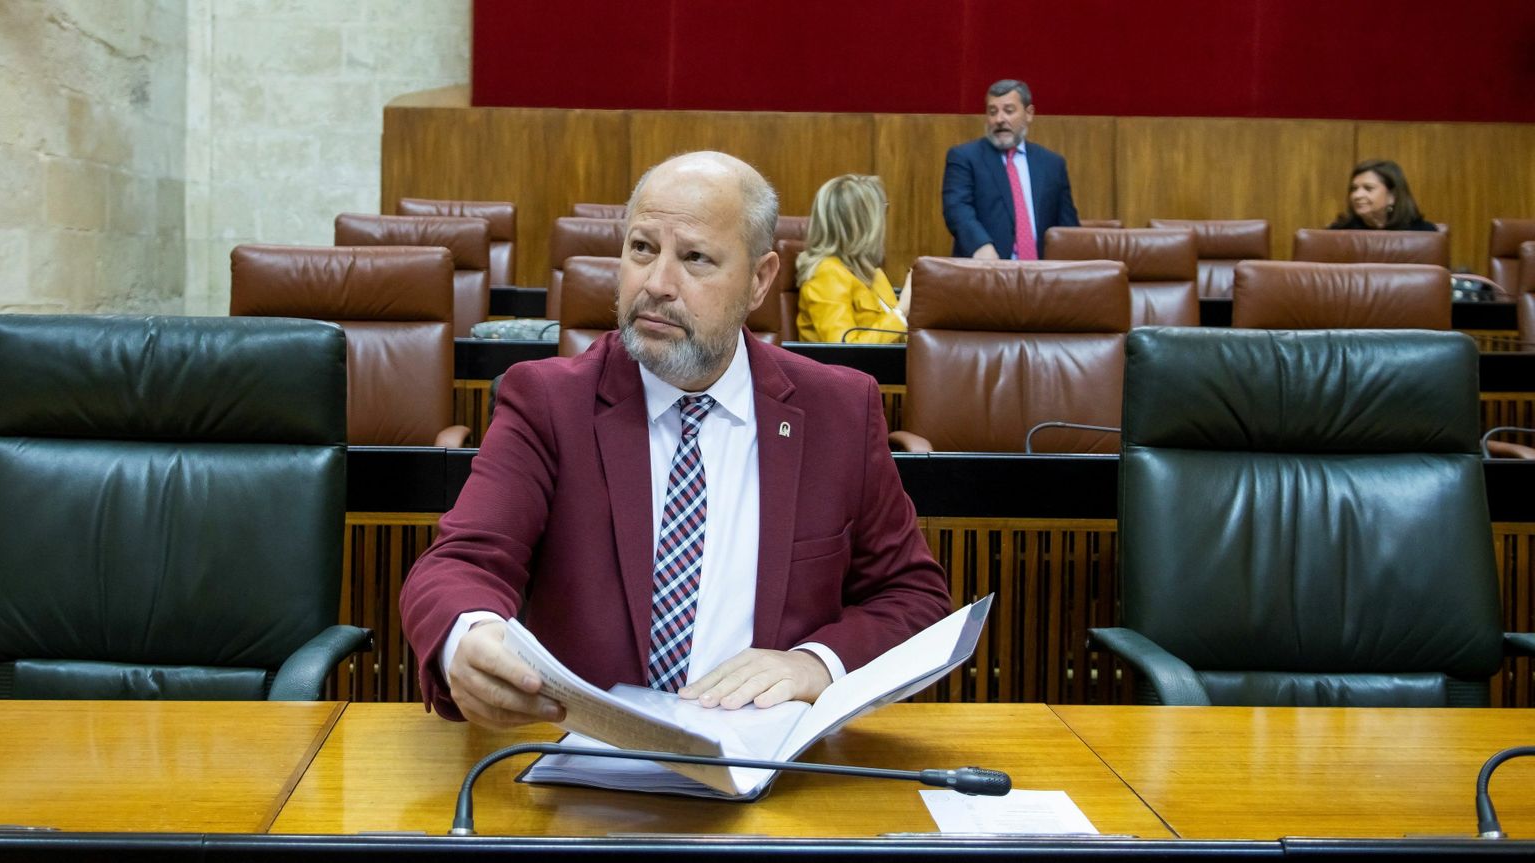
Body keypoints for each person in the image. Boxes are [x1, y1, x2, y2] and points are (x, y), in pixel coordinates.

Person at [399, 151, 951, 728]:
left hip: (773, 758)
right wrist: (470, 634)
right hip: (583, 755)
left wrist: (816, 664)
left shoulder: (838, 410)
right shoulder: (548, 401)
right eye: (642, 248)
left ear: (759, 280)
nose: (657, 283)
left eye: (695, 258)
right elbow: (459, 564)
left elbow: (913, 597)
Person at [941, 78, 1079, 260]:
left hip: (1043, 272)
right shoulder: (965, 157)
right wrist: (980, 246)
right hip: (985, 268)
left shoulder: (1052, 164)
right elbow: (957, 209)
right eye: (993, 112)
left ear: (1029, 114)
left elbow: (1067, 226)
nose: (999, 119)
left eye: (1009, 110)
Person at [795, 174, 910, 344]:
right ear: (864, 225)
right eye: (882, 211)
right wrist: (902, 310)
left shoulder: (873, 273)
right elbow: (844, 348)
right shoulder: (826, 274)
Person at [1328, 159, 1436, 231]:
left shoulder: (1423, 233)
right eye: (1354, 189)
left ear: (1392, 196)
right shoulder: (1338, 232)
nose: (1357, 195)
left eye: (1368, 188)